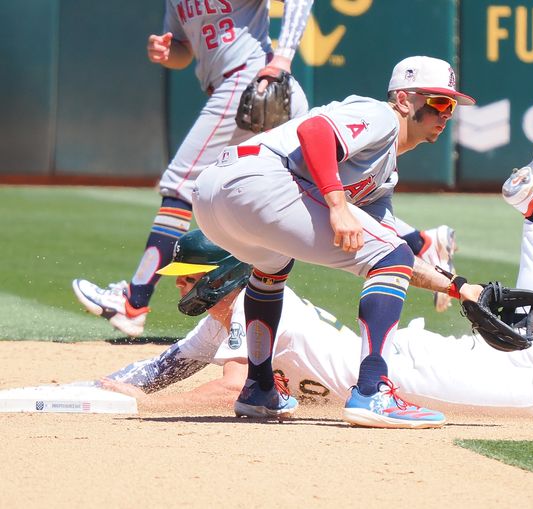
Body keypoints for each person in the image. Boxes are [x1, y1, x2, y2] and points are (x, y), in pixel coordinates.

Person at [102, 132, 533, 416]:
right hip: (409, 354)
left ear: (221, 275)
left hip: (411, 373)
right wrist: (100, 391)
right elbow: (167, 368)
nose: (180, 288)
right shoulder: (231, 317)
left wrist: (150, 414)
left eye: (185, 276)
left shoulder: (248, 310)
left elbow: (224, 389)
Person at [191, 55, 481, 428]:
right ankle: (373, 390)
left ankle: (259, 389)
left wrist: (459, 288)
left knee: (273, 265)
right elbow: (314, 131)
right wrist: (337, 203)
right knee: (385, 255)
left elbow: (394, 252)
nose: (445, 113)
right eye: (438, 101)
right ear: (405, 100)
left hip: (213, 196)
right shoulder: (381, 117)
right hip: (258, 180)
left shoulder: (383, 174)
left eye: (450, 105)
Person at [72, 0, 315, 338]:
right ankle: (411, 244)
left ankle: (133, 301)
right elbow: (182, 51)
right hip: (247, 87)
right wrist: (165, 50)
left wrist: (284, 56)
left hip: (250, 80)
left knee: (180, 186)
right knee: (316, 182)